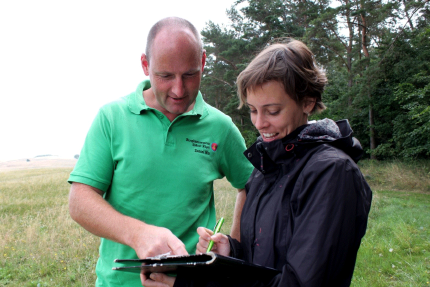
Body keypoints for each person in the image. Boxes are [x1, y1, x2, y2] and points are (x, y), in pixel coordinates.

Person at [144, 39, 373, 287]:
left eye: (272, 111)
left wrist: (192, 285)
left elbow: (300, 282)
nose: (259, 123)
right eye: (253, 110)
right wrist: (231, 252)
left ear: (307, 102)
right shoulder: (265, 166)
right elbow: (264, 261)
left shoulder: (332, 173)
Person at [68, 17, 254, 287]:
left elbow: (250, 185)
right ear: (145, 65)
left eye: (190, 74)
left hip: (193, 283)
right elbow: (80, 201)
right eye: (165, 76)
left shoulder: (221, 128)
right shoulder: (112, 117)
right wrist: (138, 234)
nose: (179, 90)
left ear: (203, 62)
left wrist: (233, 249)